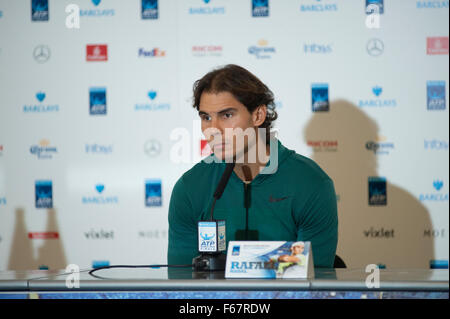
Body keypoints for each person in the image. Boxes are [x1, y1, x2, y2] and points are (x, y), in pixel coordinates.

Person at [168, 64, 338, 268]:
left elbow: (312, 280)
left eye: (227, 115)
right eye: (206, 117)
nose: (213, 130)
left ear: (258, 116)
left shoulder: (311, 183)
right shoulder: (190, 187)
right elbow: (182, 282)